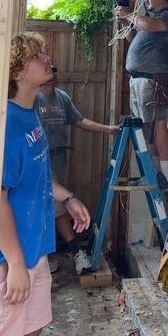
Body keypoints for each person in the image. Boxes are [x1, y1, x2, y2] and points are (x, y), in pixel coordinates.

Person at [0, 32, 91, 336]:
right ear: (18, 72)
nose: (48, 60)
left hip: (35, 249)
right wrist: (15, 264)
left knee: (32, 328)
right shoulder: (7, 125)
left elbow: (37, 173)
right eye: (38, 57)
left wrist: (68, 197)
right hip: (10, 257)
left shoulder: (31, 113)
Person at [37, 68, 119, 254]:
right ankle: (75, 251)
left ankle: (49, 254)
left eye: (53, 77)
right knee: (57, 204)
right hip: (41, 160)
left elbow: (79, 120)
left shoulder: (61, 97)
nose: (51, 80)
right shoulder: (33, 99)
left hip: (59, 158)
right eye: (47, 77)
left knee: (52, 204)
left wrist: (107, 129)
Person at [114, 0, 168, 187]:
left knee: (158, 124)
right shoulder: (150, 20)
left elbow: (149, 25)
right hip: (139, 79)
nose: (147, 0)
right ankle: (155, 174)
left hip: (152, 80)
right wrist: (127, 23)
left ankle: (167, 176)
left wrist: (128, 14)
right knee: (146, 128)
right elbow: (135, 37)